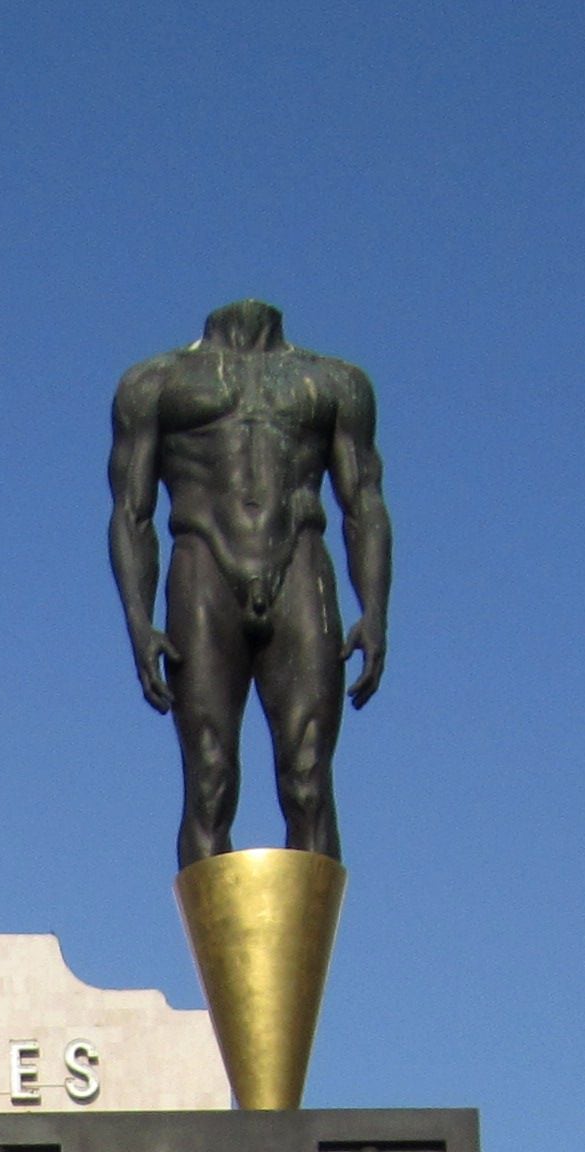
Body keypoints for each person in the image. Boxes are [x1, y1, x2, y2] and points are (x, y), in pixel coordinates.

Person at [108, 302, 390, 871]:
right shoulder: (155, 381)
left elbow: (363, 502)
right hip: (204, 567)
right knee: (210, 780)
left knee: (308, 779)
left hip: (300, 564)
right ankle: (216, 961)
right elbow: (130, 513)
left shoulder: (336, 382)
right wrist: (139, 622)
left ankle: (306, 960)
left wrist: (375, 610)